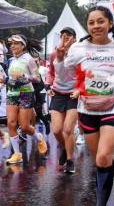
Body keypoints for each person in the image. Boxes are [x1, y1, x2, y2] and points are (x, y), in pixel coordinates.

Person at [64, 6, 114, 205]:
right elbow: (67, 75)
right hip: (87, 109)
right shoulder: (77, 49)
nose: (96, 26)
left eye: (101, 21)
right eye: (91, 22)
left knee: (102, 157)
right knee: (102, 159)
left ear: (110, 23)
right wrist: (59, 58)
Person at [4, 34, 48, 165]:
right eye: (11, 44)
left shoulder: (29, 59)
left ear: (23, 46)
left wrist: (26, 77)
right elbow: (10, 77)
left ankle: (39, 138)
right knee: (11, 123)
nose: (12, 46)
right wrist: (7, 81)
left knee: (24, 126)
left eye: (16, 44)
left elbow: (37, 78)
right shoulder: (11, 60)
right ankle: (17, 154)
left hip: (26, 93)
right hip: (12, 93)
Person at [45, 27, 78, 173]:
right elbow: (50, 74)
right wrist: (48, 86)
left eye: (69, 36)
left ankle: (70, 160)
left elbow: (84, 75)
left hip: (73, 94)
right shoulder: (54, 55)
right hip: (58, 93)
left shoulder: (79, 55)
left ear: (74, 39)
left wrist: (80, 90)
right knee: (57, 130)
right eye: (63, 35)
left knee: (68, 129)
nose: (65, 38)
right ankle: (64, 148)